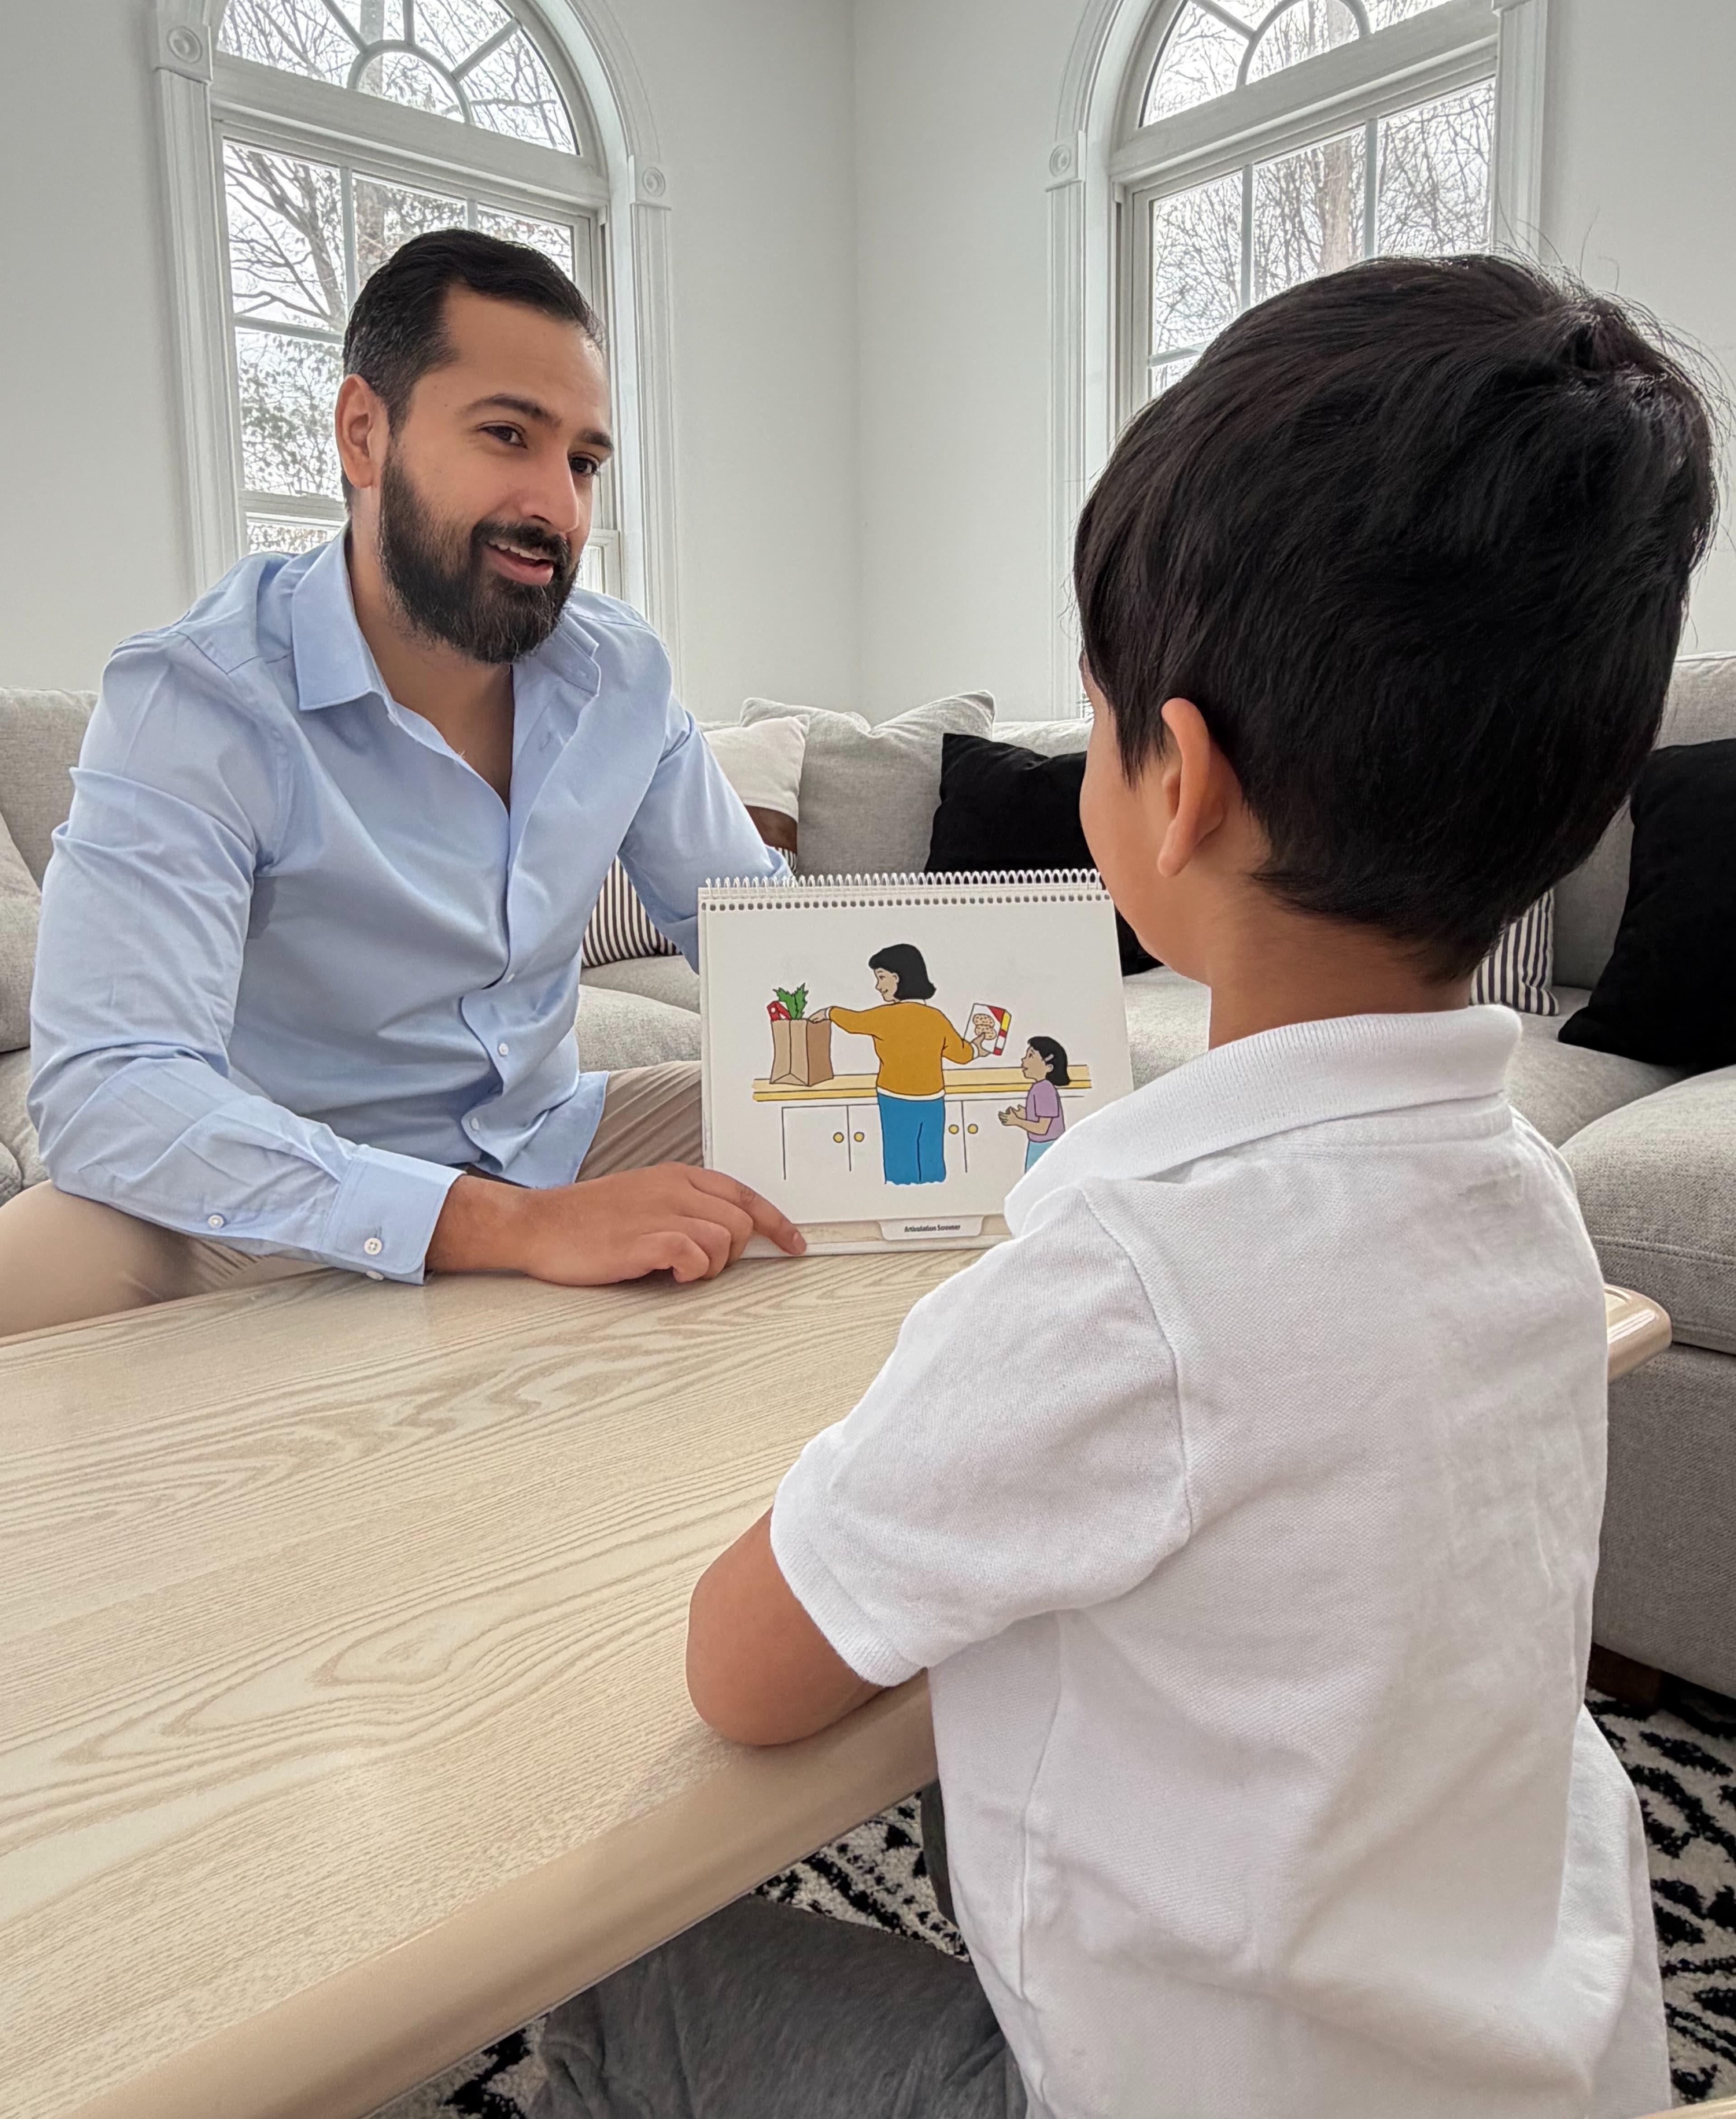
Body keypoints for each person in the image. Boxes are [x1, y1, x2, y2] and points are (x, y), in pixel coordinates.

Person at [533, 255, 1716, 2119]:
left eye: (1091, 719)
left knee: (602, 1967)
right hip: (1539, 2056)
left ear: (1179, 785)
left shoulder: (1123, 1279)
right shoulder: (1525, 1202)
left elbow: (744, 1667)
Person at [0, 229, 802, 1340]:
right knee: (29, 1277)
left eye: (580, 461)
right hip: (279, 1191)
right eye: (506, 435)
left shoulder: (623, 673)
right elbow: (111, 1085)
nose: (558, 507)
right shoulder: (198, 696)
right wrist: (505, 1228)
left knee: (870, 1158)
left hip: (547, 1141)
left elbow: (768, 941)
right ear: (362, 433)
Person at [812, 945, 995, 1185]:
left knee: (900, 1158)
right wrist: (978, 1048)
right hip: (932, 1100)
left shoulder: (885, 1017)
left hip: (895, 1099)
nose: (878, 986)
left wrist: (829, 1012)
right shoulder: (936, 1018)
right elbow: (961, 1053)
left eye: (881, 978)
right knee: (930, 1157)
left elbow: (853, 1022)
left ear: (898, 978)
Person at [998, 1035, 1069, 1168]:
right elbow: (1041, 1117)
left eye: (1031, 1056)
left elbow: (1042, 1128)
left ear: (1049, 1067)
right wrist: (1025, 1114)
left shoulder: (1045, 1090)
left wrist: (1017, 1121)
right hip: (1040, 1145)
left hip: (1047, 1147)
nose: (1023, 1060)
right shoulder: (1040, 1087)